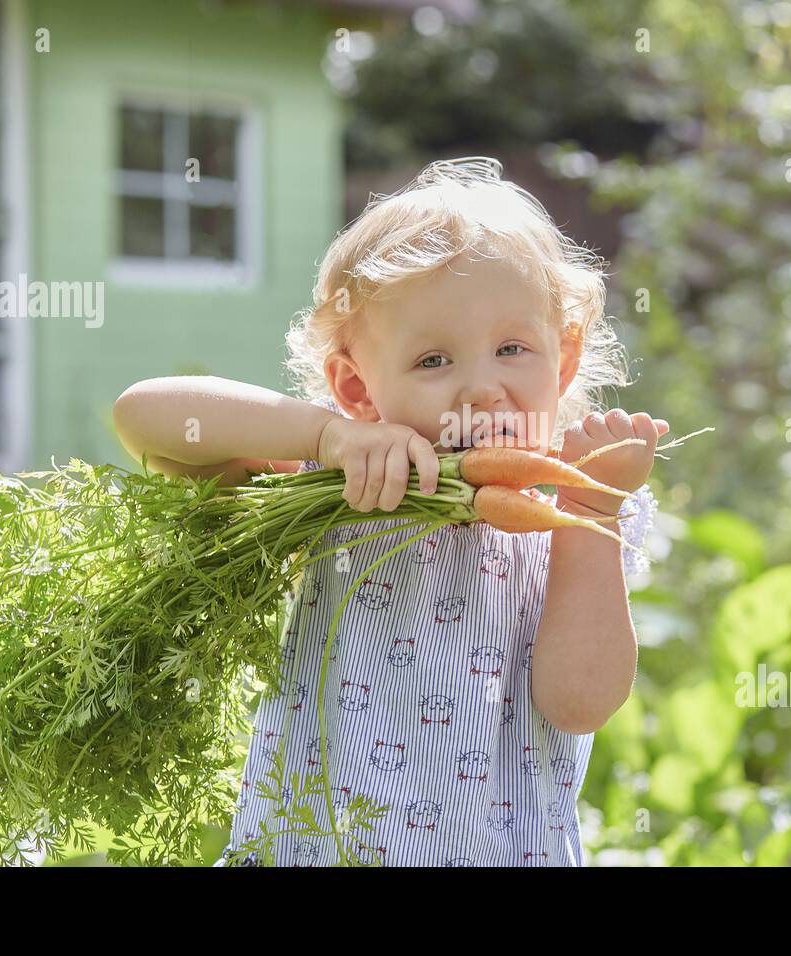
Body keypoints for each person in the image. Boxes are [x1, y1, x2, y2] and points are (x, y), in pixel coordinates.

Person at [113, 156, 666, 866]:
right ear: (356, 385)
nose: (482, 389)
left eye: (512, 349)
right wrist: (322, 434)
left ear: (561, 362)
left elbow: (580, 702)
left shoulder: (574, 508)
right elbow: (145, 418)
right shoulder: (340, 484)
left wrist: (593, 505)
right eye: (433, 361)